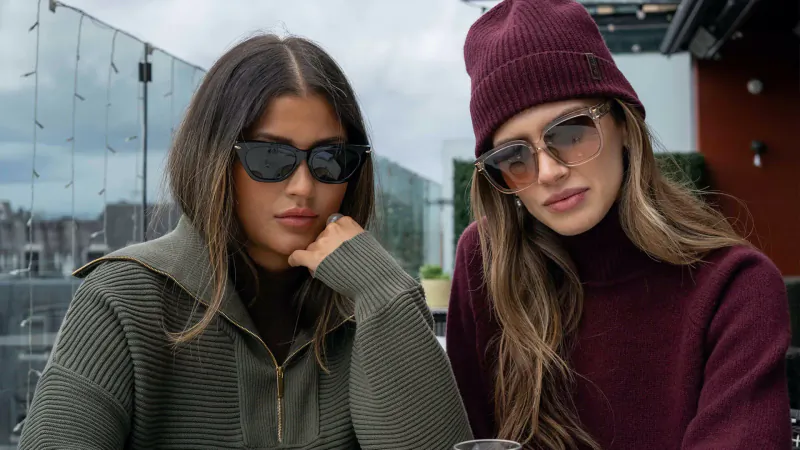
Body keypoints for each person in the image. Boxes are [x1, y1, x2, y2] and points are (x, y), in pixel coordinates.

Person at [19, 34, 472, 449]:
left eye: (330, 158)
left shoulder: (371, 307)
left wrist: (384, 294)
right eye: (270, 155)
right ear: (214, 158)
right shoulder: (124, 298)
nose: (302, 185)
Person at [446, 1, 792, 449]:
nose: (549, 172)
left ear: (625, 125)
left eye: (570, 133)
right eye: (514, 157)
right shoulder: (487, 262)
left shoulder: (734, 287)